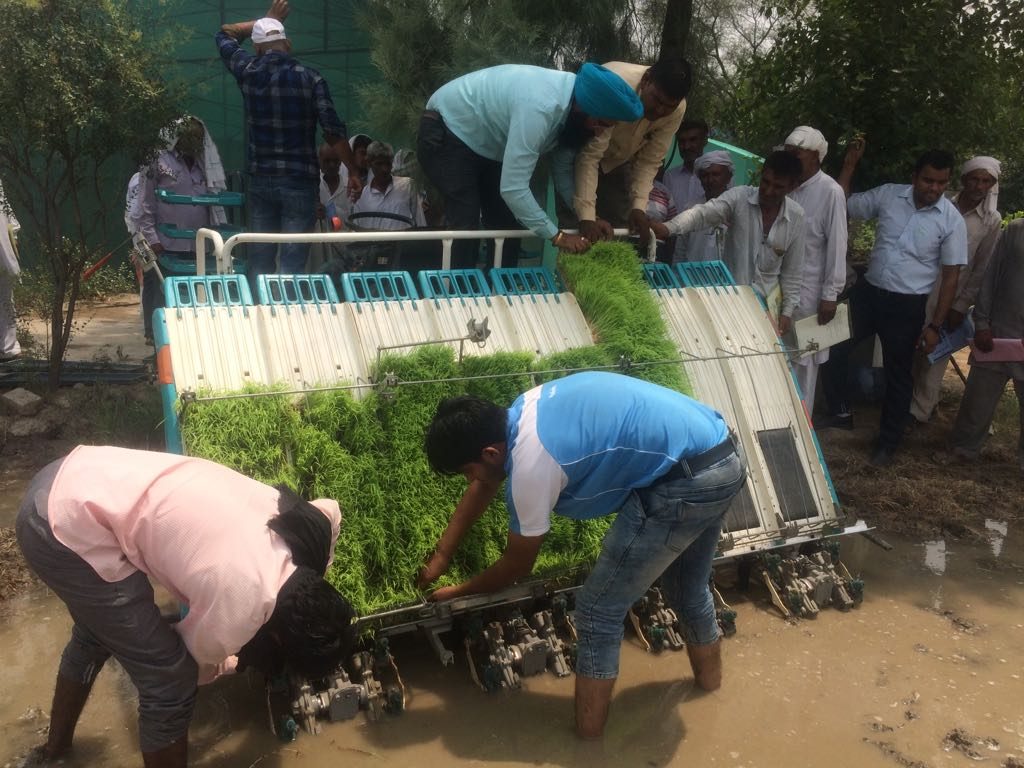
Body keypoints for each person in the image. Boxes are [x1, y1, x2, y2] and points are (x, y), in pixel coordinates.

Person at [419, 372, 746, 739]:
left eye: (467, 470)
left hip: (685, 483)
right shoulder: (525, 408)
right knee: (687, 588)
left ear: (490, 453)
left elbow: (517, 564)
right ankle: (711, 695)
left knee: (596, 610)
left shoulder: (530, 467)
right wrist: (443, 554)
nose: (469, 480)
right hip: (723, 453)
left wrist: (457, 592)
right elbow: (485, 481)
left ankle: (588, 745)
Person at [15, 446, 355, 768]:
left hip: (78, 476)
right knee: (169, 682)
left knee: (99, 632)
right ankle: (55, 749)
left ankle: (54, 752)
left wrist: (317, 572)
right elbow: (192, 666)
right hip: (62, 526)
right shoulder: (240, 606)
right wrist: (240, 661)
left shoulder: (305, 527)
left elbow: (333, 510)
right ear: (281, 638)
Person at [417, 62, 644, 269]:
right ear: (583, 108)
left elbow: (563, 171)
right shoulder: (540, 108)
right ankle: (458, 299)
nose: (600, 132)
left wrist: (587, 215)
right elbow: (513, 189)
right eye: (601, 123)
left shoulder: (573, 109)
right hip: (447, 128)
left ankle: (501, 295)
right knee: (466, 220)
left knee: (505, 225)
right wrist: (558, 237)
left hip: (486, 145)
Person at [822, 145, 967, 466]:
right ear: (914, 177)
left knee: (898, 374)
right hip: (869, 294)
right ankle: (840, 412)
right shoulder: (889, 195)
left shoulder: (951, 220)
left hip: (906, 307)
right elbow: (843, 203)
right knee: (832, 347)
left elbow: (952, 277)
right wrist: (848, 167)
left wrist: (935, 326)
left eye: (942, 183)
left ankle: (887, 444)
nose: (935, 189)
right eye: (929, 180)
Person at [217, 0, 358, 287]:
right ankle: (287, 322)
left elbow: (224, 34)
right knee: (293, 262)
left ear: (256, 48)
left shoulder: (248, 71)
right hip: (299, 182)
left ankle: (261, 324)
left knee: (260, 258)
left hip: (260, 180)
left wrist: (264, 19)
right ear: (288, 45)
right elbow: (332, 132)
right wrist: (353, 171)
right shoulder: (312, 79)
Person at [652, 150, 806, 334]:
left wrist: (786, 313)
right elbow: (702, 214)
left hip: (767, 310)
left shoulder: (797, 217)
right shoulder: (739, 197)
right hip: (729, 301)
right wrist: (668, 228)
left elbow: (792, 273)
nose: (768, 190)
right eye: (765, 182)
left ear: (793, 187)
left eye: (778, 186)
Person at [910, 156, 1002, 424]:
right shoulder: (940, 204)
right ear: (963, 180)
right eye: (974, 179)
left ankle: (919, 414)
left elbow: (981, 268)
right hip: (917, 286)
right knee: (906, 349)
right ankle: (900, 404)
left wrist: (960, 305)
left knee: (933, 357)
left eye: (986, 181)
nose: (979, 185)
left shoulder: (991, 220)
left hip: (950, 295)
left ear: (991, 185)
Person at [569, 59, 691, 248]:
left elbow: (649, 161)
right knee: (577, 232)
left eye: (668, 106)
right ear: (646, 80)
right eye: (657, 100)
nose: (660, 110)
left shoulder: (678, 108)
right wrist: (587, 216)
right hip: (578, 154)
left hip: (618, 164)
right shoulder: (616, 83)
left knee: (618, 232)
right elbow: (589, 156)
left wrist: (639, 207)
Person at [938, 219, 1024, 472]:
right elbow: (991, 276)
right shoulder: (1016, 230)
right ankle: (963, 449)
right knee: (978, 399)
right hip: (1000, 332)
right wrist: (982, 322)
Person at [134, 116, 227, 344]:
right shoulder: (157, 160)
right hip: (163, 242)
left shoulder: (204, 164)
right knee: (160, 292)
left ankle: (187, 339)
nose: (194, 141)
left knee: (191, 294)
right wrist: (152, 238)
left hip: (196, 244)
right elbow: (145, 204)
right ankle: (156, 340)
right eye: (189, 136)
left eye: (198, 137)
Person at [783, 126, 849, 410]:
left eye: (797, 154)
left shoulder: (830, 192)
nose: (791, 160)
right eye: (788, 154)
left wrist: (830, 294)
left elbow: (837, 244)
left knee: (805, 364)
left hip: (812, 296)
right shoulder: (786, 186)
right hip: (780, 293)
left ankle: (803, 427)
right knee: (780, 358)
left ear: (815, 157)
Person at [350, 141, 427, 231]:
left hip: (403, 244)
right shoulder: (361, 195)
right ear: (369, 164)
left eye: (388, 163)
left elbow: (420, 220)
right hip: (372, 244)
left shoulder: (407, 186)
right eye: (379, 164)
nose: (384, 169)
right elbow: (356, 230)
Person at [674, 149, 734, 263]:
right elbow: (680, 252)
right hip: (691, 278)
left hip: (728, 279)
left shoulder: (737, 209)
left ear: (728, 177)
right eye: (705, 175)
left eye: (716, 174)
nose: (710, 180)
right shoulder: (691, 209)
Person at [662, 119, 710, 213]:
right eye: (682, 141)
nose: (686, 146)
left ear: (704, 141)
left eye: (693, 140)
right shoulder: (670, 177)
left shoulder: (716, 176)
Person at [0, 180, 21, 360]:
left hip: (3, 253)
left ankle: (9, 348)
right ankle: (8, 347)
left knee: (5, 297)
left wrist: (14, 235)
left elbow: (5, 210)